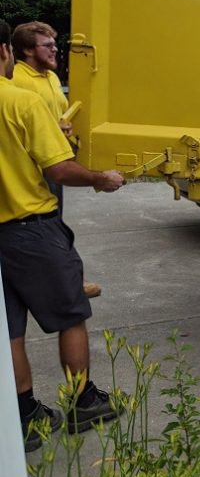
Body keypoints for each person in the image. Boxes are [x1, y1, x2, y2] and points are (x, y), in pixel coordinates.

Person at [0, 19, 126, 452]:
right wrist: (97, 178)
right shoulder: (18, 100)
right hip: (29, 228)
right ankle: (83, 402)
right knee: (71, 313)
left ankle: (23, 414)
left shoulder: (39, 88)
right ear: (6, 52)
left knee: (10, 328)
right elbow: (58, 169)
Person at [11, 21, 102, 298]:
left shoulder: (51, 78)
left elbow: (55, 118)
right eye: (47, 45)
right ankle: (66, 282)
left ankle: (64, 280)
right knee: (46, 229)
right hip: (29, 172)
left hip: (53, 164)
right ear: (27, 49)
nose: (55, 51)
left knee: (55, 225)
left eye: (55, 44)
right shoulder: (17, 80)